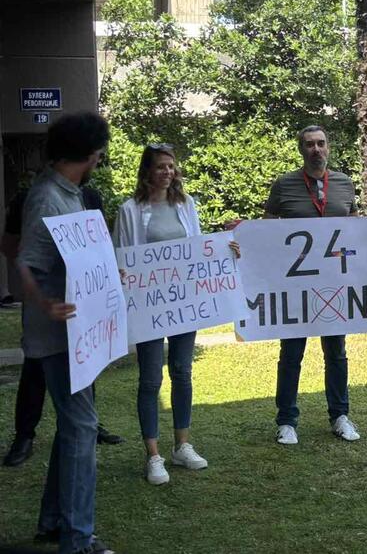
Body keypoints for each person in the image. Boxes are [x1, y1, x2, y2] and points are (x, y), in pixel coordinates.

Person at [17, 112, 115, 554]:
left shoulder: (71, 194)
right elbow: (25, 262)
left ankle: (54, 522)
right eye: (100, 152)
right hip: (58, 337)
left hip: (81, 335)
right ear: (91, 153)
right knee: (82, 429)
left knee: (75, 426)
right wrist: (45, 305)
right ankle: (77, 541)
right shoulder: (46, 198)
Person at [113, 143, 237, 485]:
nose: (167, 172)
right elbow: (123, 256)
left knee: (182, 372)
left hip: (183, 303)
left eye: (171, 166)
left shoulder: (186, 204)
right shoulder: (130, 210)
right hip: (149, 305)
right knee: (151, 378)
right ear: (147, 172)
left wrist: (226, 251)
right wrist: (122, 272)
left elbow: (196, 249)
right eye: (160, 167)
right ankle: (153, 454)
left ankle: (182, 445)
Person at [3, 180, 123, 469]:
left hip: (83, 301)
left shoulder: (90, 195)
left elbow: (99, 246)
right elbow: (8, 245)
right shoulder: (32, 196)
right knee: (35, 369)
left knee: (86, 363)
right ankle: (24, 436)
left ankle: (91, 426)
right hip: (47, 305)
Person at [264, 126, 362, 445]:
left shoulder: (345, 184)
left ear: (329, 148)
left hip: (334, 283)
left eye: (321, 144)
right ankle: (287, 420)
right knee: (291, 352)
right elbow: (266, 229)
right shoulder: (284, 185)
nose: (316, 149)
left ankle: (340, 415)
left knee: (336, 351)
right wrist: (241, 237)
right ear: (301, 150)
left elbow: (357, 229)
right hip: (296, 286)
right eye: (309, 145)